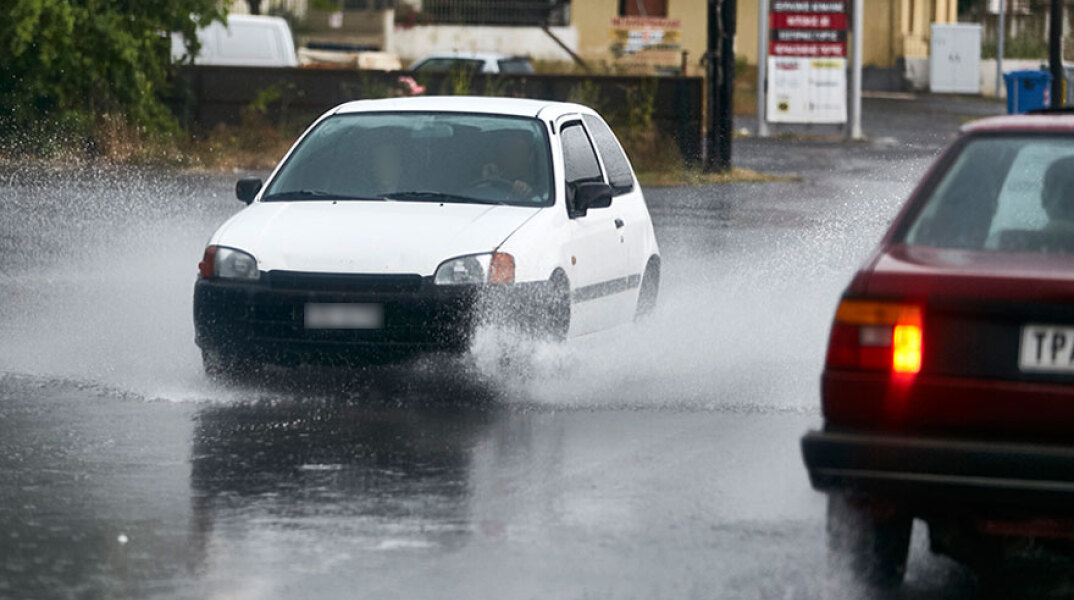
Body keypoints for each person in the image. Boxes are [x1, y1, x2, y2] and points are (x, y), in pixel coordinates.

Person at [480, 130, 539, 202]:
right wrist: (487, 181)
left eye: (515, 152)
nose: (508, 157)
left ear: (530, 157)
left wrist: (525, 192)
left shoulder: (542, 183)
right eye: (504, 152)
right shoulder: (492, 174)